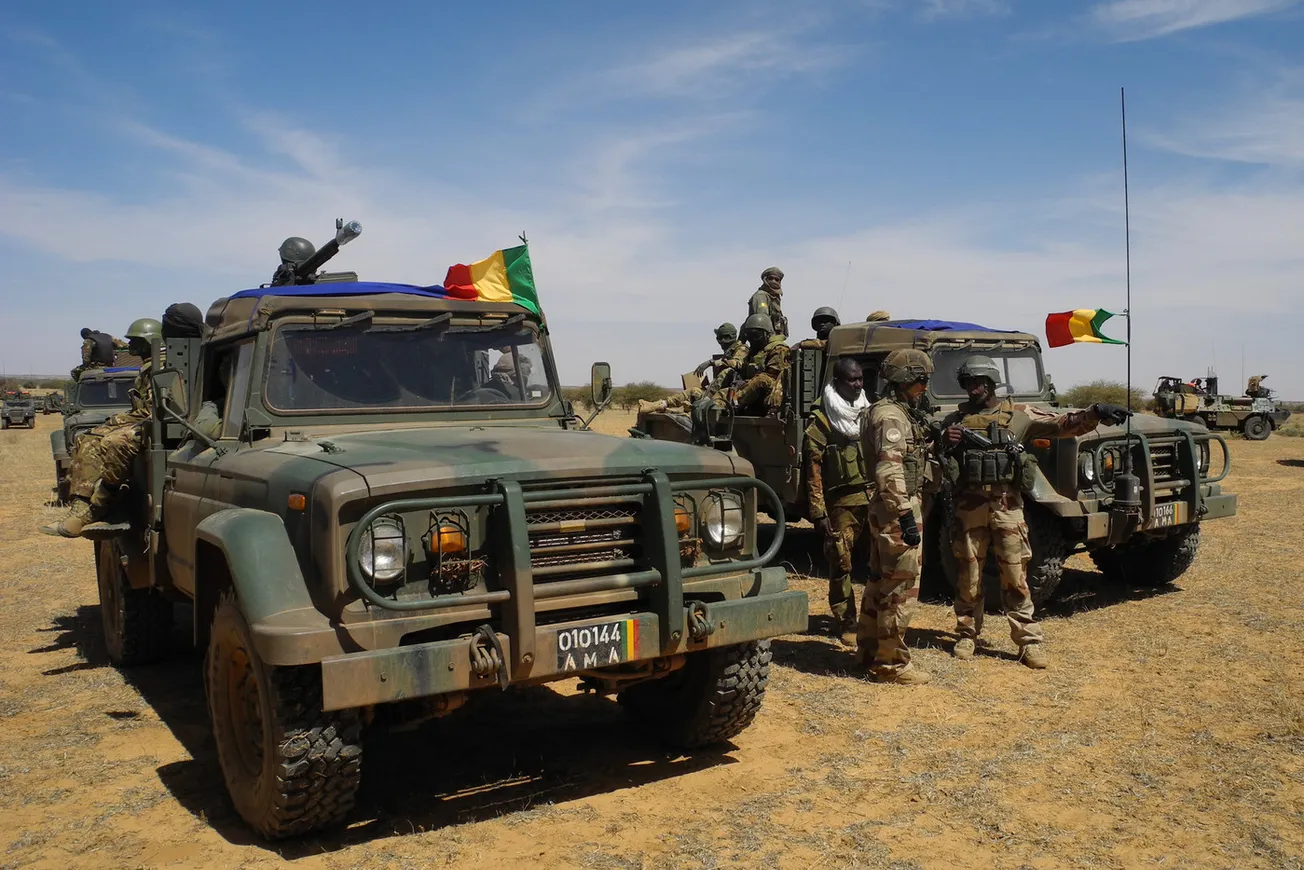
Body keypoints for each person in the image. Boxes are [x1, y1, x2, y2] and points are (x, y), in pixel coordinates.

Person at [940, 354, 1131, 669]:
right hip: (968, 509)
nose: (974, 388)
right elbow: (930, 452)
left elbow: (1063, 424)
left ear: (992, 383)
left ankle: (1028, 641)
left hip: (1007, 507)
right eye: (968, 383)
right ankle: (966, 634)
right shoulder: (954, 421)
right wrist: (943, 440)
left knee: (1015, 576)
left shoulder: (1019, 416)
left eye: (980, 382)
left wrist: (1095, 412)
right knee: (969, 575)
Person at [43, 318, 164, 538]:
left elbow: (150, 411)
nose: (130, 345)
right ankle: (80, 507)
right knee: (87, 438)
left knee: (113, 442)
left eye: (135, 341)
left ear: (148, 342)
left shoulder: (159, 368)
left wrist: (115, 421)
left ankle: (100, 505)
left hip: (153, 425)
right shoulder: (148, 367)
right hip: (143, 421)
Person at [857, 349, 935, 684]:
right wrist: (905, 514)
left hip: (886, 506)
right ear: (904, 380)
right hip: (896, 507)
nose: (924, 387)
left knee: (879, 580)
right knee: (900, 586)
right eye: (920, 381)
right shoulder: (891, 417)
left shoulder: (892, 411)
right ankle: (891, 665)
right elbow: (889, 470)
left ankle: (868, 651)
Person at [805, 357, 872, 645]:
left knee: (879, 560)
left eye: (860, 379)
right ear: (837, 381)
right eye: (852, 380)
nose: (858, 385)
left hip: (872, 495)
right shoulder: (823, 418)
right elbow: (813, 468)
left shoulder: (868, 411)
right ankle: (846, 621)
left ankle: (873, 618)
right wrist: (818, 511)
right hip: (842, 501)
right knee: (841, 560)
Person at [640, 323, 747, 414]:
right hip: (714, 394)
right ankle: (659, 404)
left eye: (721, 339)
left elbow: (737, 363)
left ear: (729, 338)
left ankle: (698, 405)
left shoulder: (742, 348)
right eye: (718, 339)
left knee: (727, 371)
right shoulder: (729, 352)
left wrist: (711, 363)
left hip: (729, 393)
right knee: (693, 391)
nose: (720, 343)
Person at [730, 313, 790, 416]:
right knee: (726, 391)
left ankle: (734, 404)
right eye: (749, 336)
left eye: (756, 335)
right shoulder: (756, 351)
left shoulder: (778, 348)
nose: (752, 340)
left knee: (761, 379)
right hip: (751, 388)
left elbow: (773, 376)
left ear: (766, 334)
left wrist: (746, 385)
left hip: (774, 389)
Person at [748, 267, 789, 338]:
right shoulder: (761, 296)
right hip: (765, 338)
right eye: (770, 278)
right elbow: (762, 320)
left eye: (776, 279)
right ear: (765, 279)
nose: (773, 281)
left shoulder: (775, 297)